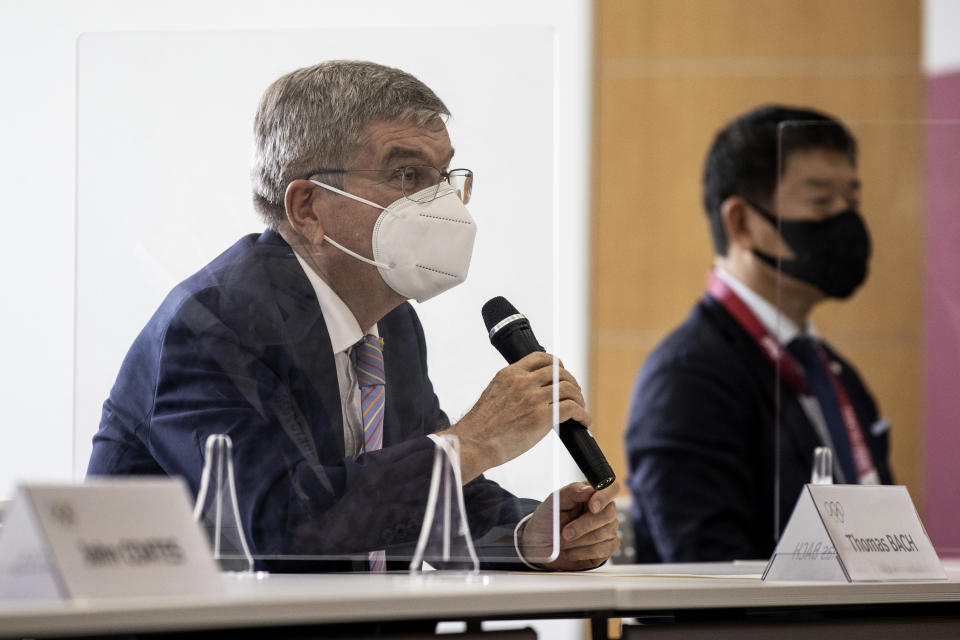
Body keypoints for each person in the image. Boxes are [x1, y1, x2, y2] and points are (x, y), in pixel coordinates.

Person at [88, 60, 619, 572]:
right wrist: (472, 443)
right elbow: (279, 525)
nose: (443, 203)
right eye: (408, 174)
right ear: (308, 208)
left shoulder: (392, 323)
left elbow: (411, 501)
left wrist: (529, 536)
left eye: (444, 176)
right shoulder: (212, 324)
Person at [624, 105, 893, 563]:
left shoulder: (834, 371)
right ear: (742, 223)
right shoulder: (689, 377)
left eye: (852, 201)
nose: (846, 221)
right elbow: (707, 575)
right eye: (821, 202)